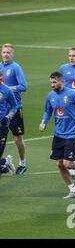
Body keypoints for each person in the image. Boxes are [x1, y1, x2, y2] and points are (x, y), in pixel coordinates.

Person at [39, 71, 75, 198]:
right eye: (51, 82)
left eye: (54, 82)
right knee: (59, 164)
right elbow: (48, 111)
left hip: (73, 134)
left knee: (68, 163)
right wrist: (43, 122)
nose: (52, 85)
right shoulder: (50, 95)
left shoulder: (72, 94)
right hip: (58, 135)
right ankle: (72, 190)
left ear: (62, 81)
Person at [0, 43, 28, 175]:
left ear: (12, 54)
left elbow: (24, 86)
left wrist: (7, 90)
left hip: (15, 107)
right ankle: (4, 161)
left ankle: (22, 163)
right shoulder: (0, 67)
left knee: (17, 139)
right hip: (2, 109)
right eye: (4, 52)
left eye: (8, 52)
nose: (6, 54)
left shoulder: (16, 67)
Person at [60, 46, 75, 178]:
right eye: (70, 55)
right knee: (67, 132)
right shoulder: (63, 69)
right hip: (67, 108)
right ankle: (70, 157)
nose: (71, 58)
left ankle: (73, 159)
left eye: (74, 55)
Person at [0, 67, 18, 176]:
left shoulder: (6, 90)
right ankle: (6, 162)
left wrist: (8, 116)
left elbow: (14, 106)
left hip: (2, 126)